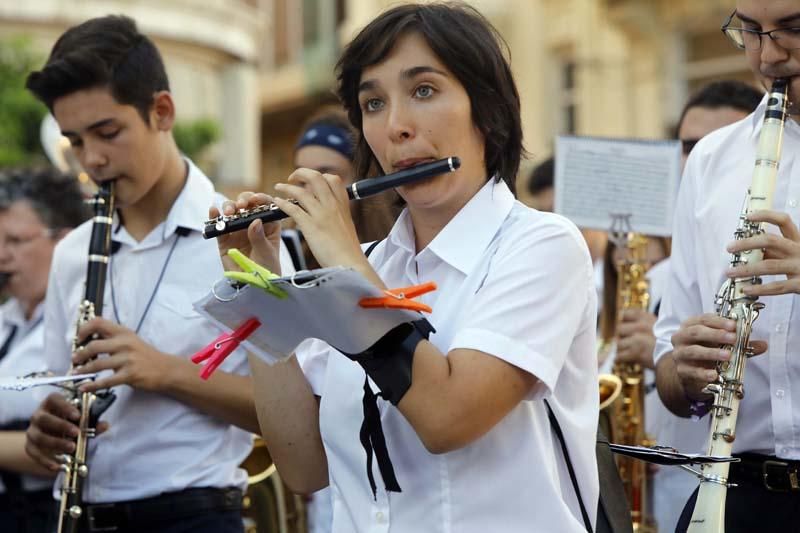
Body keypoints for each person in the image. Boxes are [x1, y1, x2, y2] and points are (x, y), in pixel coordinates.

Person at [214, 3, 599, 532]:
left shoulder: (541, 245)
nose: (396, 127)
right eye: (373, 103)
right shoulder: (369, 266)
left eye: (423, 91)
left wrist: (345, 265)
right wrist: (262, 287)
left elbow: (446, 418)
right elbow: (303, 465)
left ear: (486, 108)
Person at [22, 15, 290, 533]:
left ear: (161, 111)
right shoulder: (73, 252)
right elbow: (60, 391)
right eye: (74, 141)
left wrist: (164, 372)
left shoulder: (247, 236)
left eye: (107, 132)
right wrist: (45, 431)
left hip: (193, 515)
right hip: (84, 514)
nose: (91, 159)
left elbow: (298, 414)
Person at [653, 2, 800, 531]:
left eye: (794, 28)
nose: (769, 54)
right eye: (752, 31)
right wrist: (684, 370)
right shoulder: (712, 160)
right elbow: (668, 371)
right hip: (740, 492)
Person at [0, 168, 88, 533]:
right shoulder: (8, 317)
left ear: (65, 240)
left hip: (39, 515)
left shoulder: (83, 320)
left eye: (15, 241)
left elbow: (64, 448)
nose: (2, 256)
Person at [290, 107, 400, 270]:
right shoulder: (290, 253)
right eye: (302, 180)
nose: (308, 192)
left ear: (363, 179)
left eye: (324, 176)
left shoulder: (399, 253)